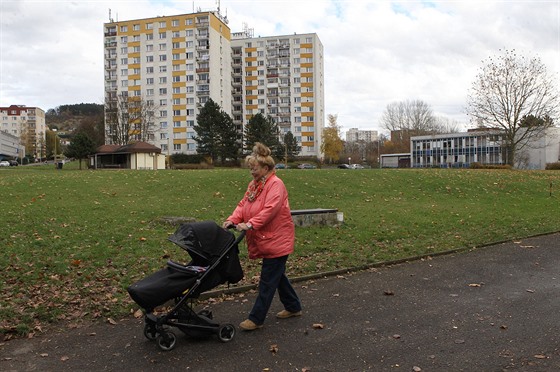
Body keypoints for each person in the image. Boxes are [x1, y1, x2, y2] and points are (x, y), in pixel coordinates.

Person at [223, 142, 302, 331]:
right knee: (277, 276)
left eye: (254, 168)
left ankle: (256, 318)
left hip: (277, 238)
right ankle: (293, 306)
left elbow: (270, 210)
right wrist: (232, 219)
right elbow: (243, 205)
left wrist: (250, 224)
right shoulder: (255, 185)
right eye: (250, 168)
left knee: (267, 280)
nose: (251, 172)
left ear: (266, 168)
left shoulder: (276, 185)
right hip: (266, 238)